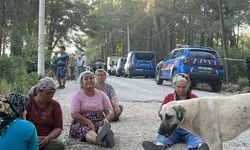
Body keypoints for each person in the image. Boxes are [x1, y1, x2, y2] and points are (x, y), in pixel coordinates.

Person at [142, 73, 210, 150]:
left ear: (188, 86)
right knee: (163, 136)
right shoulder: (169, 97)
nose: (181, 90)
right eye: (178, 87)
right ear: (174, 85)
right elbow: (160, 113)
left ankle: (201, 147)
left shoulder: (194, 98)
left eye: (184, 87)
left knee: (197, 138)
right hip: (173, 129)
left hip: (190, 129)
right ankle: (159, 146)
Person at [68, 71, 115, 148]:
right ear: (81, 83)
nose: (89, 80)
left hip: (99, 120)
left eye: (91, 78)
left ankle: (104, 135)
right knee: (87, 131)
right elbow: (74, 114)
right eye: (86, 79)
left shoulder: (102, 94)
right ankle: (102, 142)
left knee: (102, 127)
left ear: (95, 81)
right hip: (82, 122)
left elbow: (109, 110)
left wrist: (107, 119)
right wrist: (88, 122)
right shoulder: (77, 96)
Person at [26, 77, 65, 150]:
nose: (51, 96)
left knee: (58, 146)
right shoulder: (28, 103)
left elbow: (58, 127)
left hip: (47, 138)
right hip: (29, 138)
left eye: (53, 93)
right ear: (39, 91)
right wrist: (32, 138)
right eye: (48, 93)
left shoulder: (55, 105)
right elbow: (21, 124)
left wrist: (48, 138)